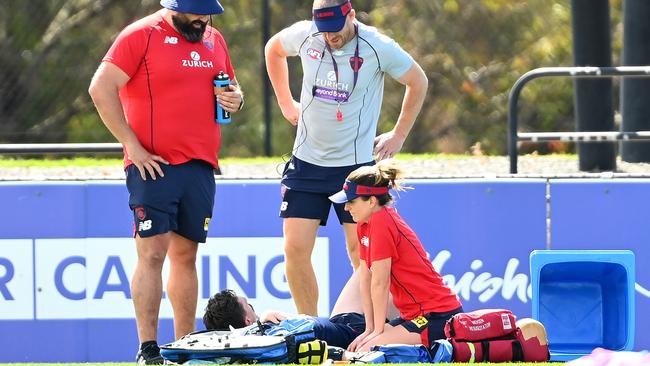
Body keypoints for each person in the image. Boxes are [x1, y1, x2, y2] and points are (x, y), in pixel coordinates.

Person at [88, 0, 244, 364]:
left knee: (186, 256)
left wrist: (236, 99)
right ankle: (148, 349)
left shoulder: (214, 39)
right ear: (174, 7)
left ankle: (185, 346)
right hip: (153, 165)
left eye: (208, 13)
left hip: (201, 164)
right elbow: (101, 88)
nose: (203, 20)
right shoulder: (141, 34)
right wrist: (132, 145)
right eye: (196, 13)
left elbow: (231, 90)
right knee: (153, 252)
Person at [264, 0, 428, 316]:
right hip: (306, 162)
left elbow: (417, 81)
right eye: (323, 31)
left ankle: (370, 328)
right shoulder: (307, 34)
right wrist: (286, 103)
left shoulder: (377, 45)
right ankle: (309, 328)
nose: (330, 37)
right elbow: (273, 49)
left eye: (335, 30)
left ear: (350, 16)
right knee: (294, 250)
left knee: (362, 254)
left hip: (355, 168)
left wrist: (398, 135)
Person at [328, 160, 463, 352]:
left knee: (366, 351)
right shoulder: (364, 223)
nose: (346, 208)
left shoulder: (382, 221)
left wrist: (378, 332)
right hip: (414, 315)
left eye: (351, 201)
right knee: (359, 347)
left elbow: (380, 283)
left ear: (372, 201)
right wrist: (370, 329)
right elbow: (366, 277)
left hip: (438, 316)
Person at [203, 269, 375, 349]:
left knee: (368, 264)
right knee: (384, 272)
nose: (254, 309)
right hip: (359, 335)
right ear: (248, 321)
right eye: (249, 306)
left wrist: (263, 319)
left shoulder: (266, 326)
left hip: (340, 320)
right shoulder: (272, 345)